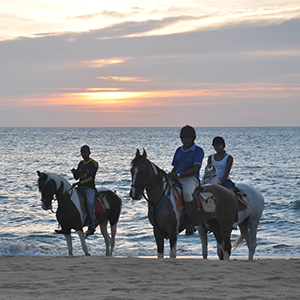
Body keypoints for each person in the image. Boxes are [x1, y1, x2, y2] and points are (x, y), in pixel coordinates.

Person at [169, 125, 204, 235]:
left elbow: (196, 168)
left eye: (189, 137)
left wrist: (179, 175)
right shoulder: (179, 150)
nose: (186, 140)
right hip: (178, 177)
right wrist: (170, 175)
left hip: (191, 178)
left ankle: (190, 223)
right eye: (184, 138)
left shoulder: (198, 150)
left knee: (187, 192)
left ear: (193, 138)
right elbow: (175, 166)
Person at [207, 136, 238, 229]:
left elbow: (226, 173)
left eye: (219, 145)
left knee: (232, 195)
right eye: (215, 145)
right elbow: (209, 172)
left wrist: (219, 183)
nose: (217, 147)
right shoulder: (210, 158)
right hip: (212, 181)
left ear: (223, 145)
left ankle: (235, 220)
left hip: (224, 181)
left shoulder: (229, 158)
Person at [71, 145, 99, 236]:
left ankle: (91, 223)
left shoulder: (94, 163)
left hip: (89, 188)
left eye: (85, 152)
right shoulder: (81, 163)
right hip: (80, 187)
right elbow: (77, 178)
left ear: (89, 153)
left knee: (90, 202)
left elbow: (91, 178)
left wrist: (79, 183)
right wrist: (75, 173)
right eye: (82, 152)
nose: (83, 154)